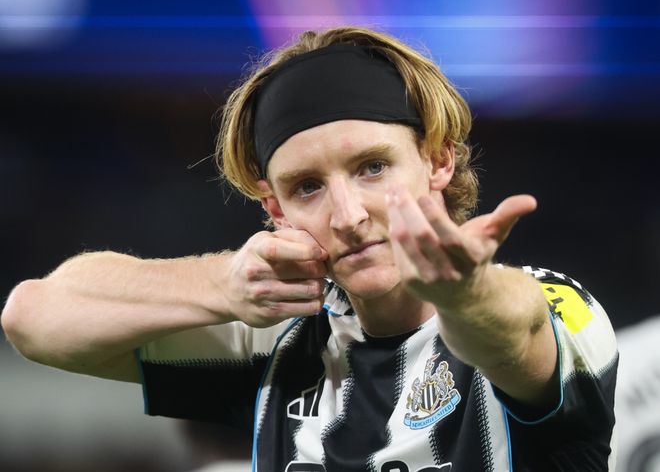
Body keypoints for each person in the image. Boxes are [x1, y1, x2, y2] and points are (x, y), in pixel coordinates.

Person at [1, 26, 618, 471]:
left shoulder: (561, 305)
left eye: (373, 167)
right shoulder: (275, 339)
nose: (348, 216)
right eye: (307, 187)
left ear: (437, 161)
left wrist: (465, 292)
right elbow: (34, 317)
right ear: (276, 211)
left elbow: (516, 329)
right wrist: (223, 286)